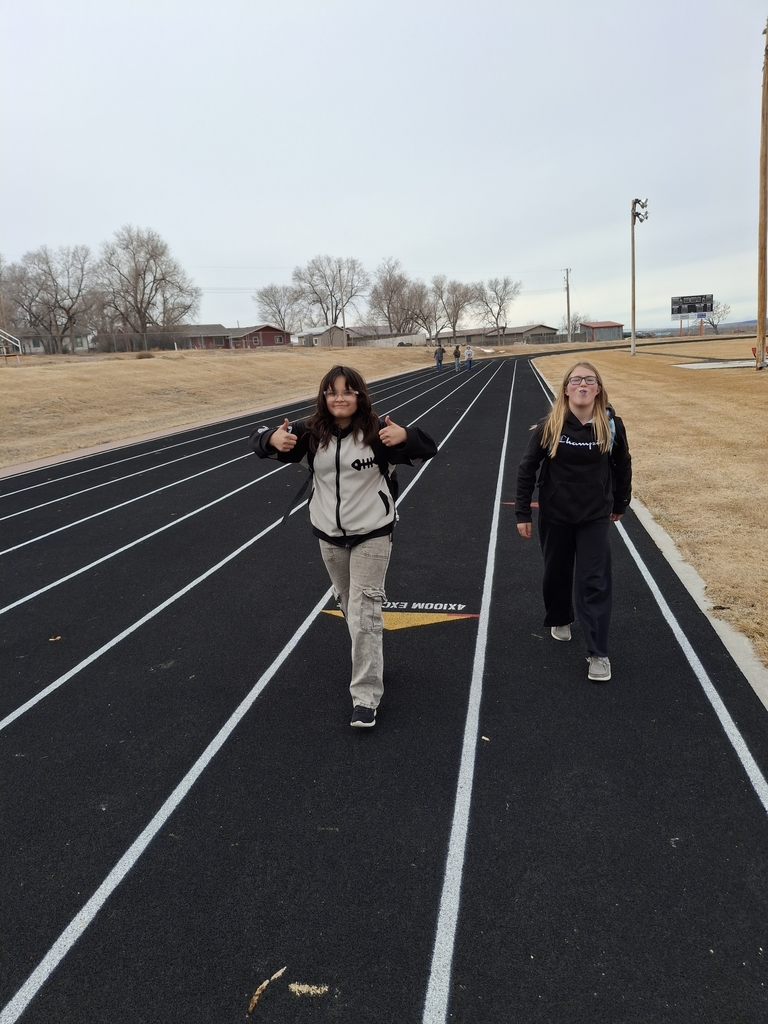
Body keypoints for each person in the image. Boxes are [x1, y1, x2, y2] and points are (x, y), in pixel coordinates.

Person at [252, 365, 437, 727]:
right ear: (323, 396)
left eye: (347, 391)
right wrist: (270, 441)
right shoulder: (309, 433)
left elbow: (428, 447)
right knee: (350, 605)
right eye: (332, 391)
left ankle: (365, 696)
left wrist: (407, 436)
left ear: (360, 395)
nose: (339, 397)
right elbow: (258, 438)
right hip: (328, 535)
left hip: (373, 532)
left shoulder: (378, 432)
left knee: (364, 610)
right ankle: (372, 662)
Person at [515, 361, 631, 682]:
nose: (582, 384)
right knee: (557, 573)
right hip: (556, 515)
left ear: (597, 389)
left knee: (594, 581)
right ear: (566, 389)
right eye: (576, 380)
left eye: (589, 380)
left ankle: (598, 653)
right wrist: (523, 512)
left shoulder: (611, 426)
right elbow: (527, 469)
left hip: (594, 517)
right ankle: (561, 616)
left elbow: (622, 466)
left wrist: (621, 502)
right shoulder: (550, 425)